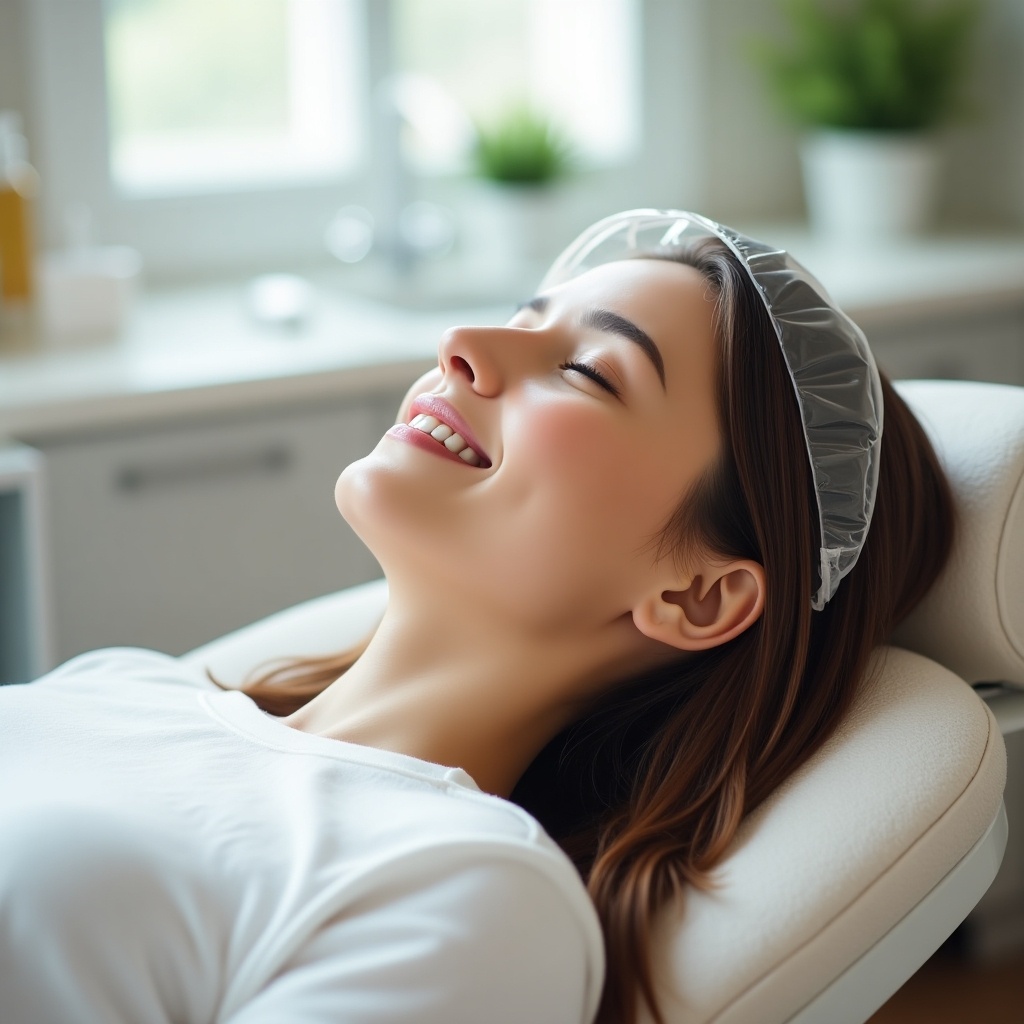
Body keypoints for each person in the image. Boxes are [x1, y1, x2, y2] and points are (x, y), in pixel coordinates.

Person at [0, 211, 954, 1024]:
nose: (463, 342)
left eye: (586, 371)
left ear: (698, 596)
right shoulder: (125, 686)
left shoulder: (463, 894)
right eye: (519, 320)